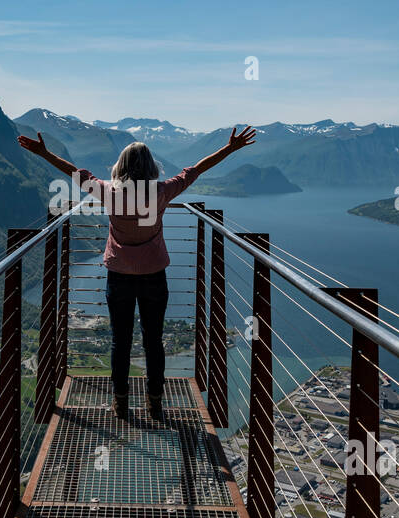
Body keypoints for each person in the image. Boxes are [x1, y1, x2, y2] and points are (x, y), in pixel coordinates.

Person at [17, 125, 257, 419]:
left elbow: (74, 172)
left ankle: (120, 402)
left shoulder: (107, 190)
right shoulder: (163, 191)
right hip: (154, 274)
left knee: (120, 340)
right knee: (154, 340)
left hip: (118, 275)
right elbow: (196, 170)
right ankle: (155, 402)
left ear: (121, 165)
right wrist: (230, 148)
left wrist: (43, 153)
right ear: (151, 166)